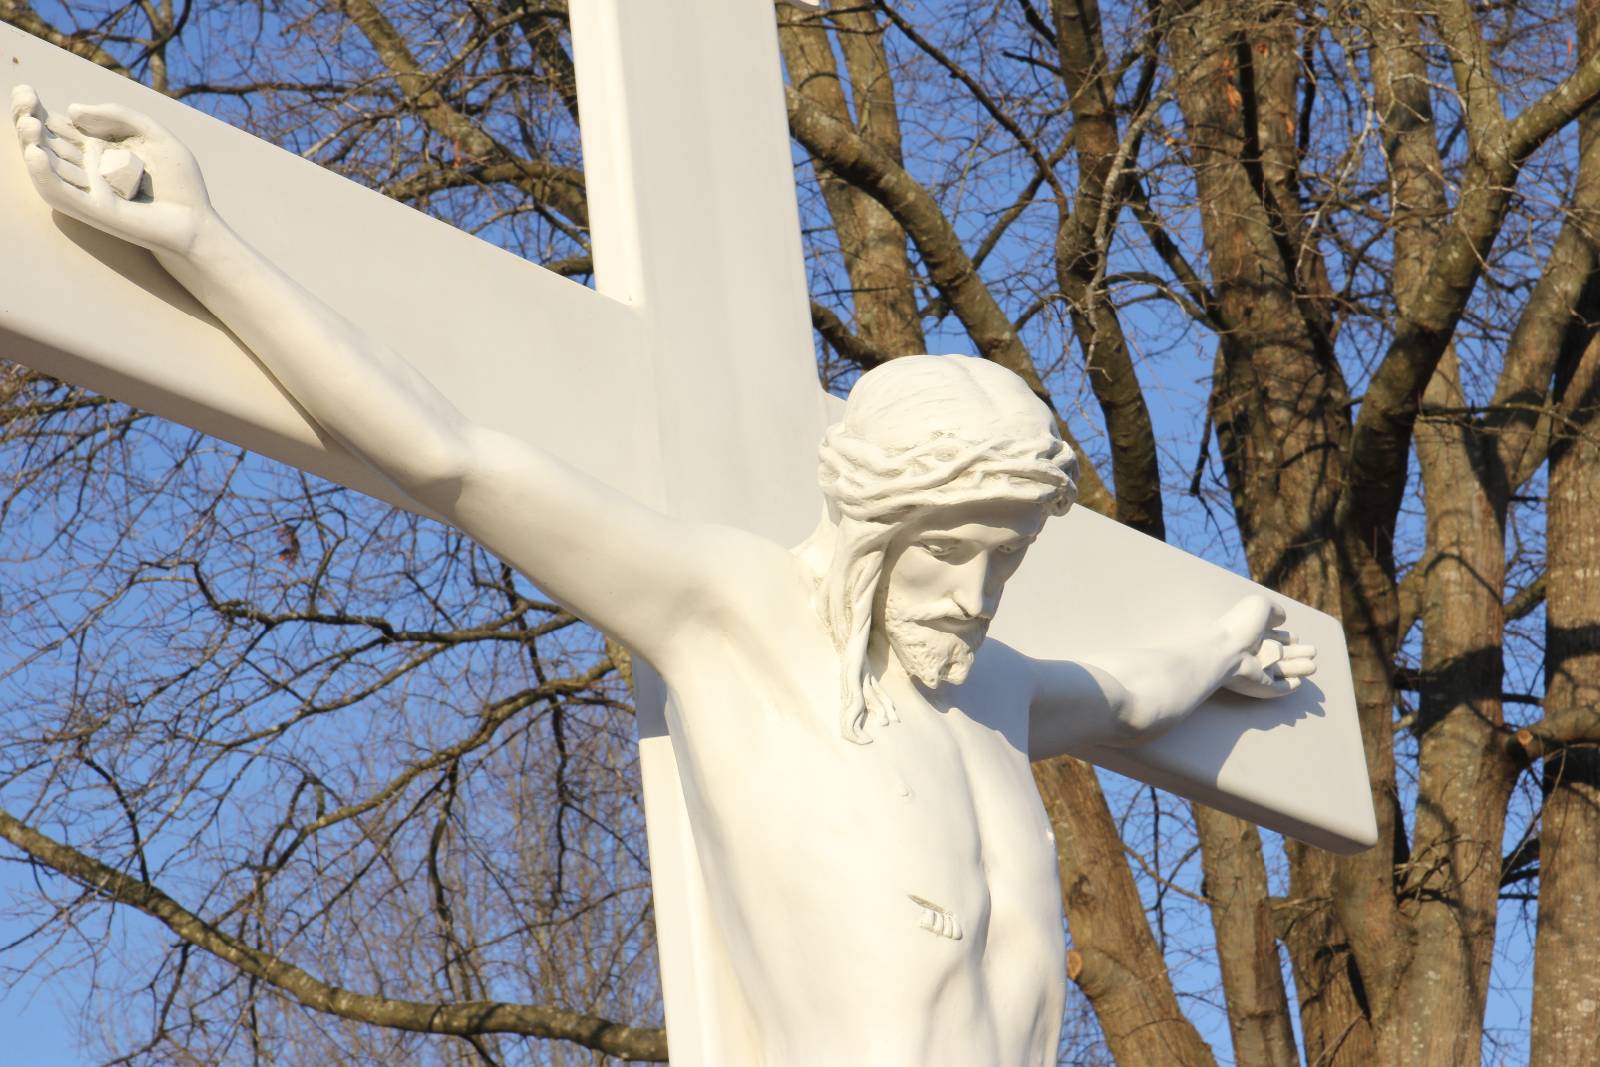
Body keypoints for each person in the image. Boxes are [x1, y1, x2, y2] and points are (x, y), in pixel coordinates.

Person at [11, 87, 1316, 1066]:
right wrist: (200, 242)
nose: (975, 599)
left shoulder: (1001, 696)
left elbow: (1142, 687)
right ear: (870, 522)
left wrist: (1229, 649)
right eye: (951, 556)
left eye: (1006, 563)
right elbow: (447, 456)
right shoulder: (733, 615)